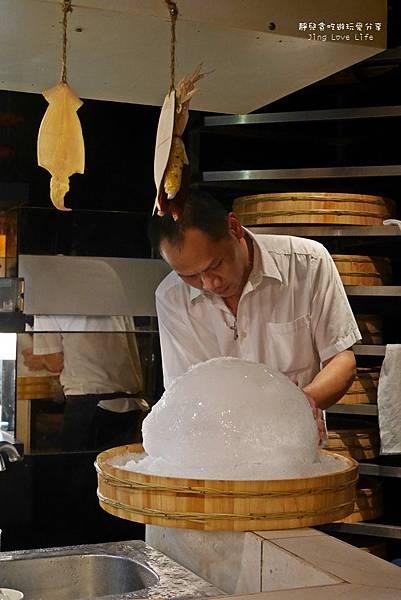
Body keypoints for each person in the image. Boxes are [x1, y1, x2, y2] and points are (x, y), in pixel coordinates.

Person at [149, 192, 361, 438]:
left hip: (295, 448)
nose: (209, 284)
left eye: (214, 265)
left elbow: (342, 362)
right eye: (189, 276)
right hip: (215, 449)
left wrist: (300, 404)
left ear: (234, 228)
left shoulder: (307, 263)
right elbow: (183, 394)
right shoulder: (171, 297)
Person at [24, 315, 148, 451]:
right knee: (116, 469)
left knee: (76, 470)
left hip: (89, 405)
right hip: (130, 403)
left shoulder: (46, 300)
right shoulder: (112, 294)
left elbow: (55, 363)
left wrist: (41, 360)